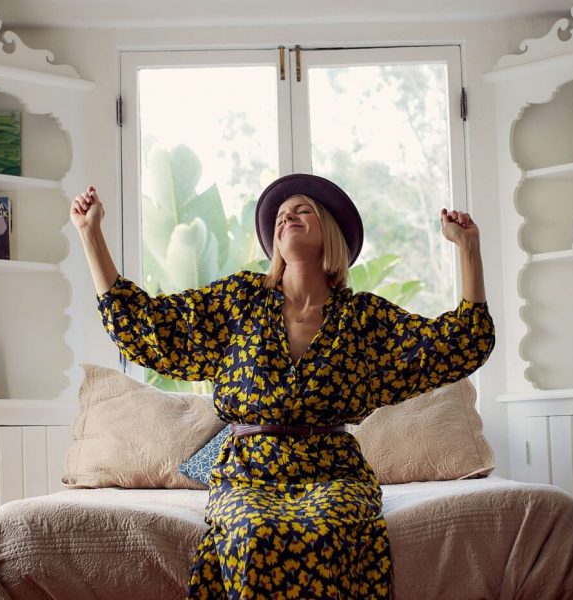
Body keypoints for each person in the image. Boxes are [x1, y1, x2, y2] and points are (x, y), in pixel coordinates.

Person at [71, 173, 495, 599]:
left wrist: (470, 250)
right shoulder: (241, 300)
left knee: (332, 528)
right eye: (280, 216)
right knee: (252, 533)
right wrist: (92, 236)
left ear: (329, 228)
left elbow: (461, 344)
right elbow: (148, 327)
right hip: (249, 473)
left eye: (301, 210)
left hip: (333, 472)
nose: (286, 217)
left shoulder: (363, 317)